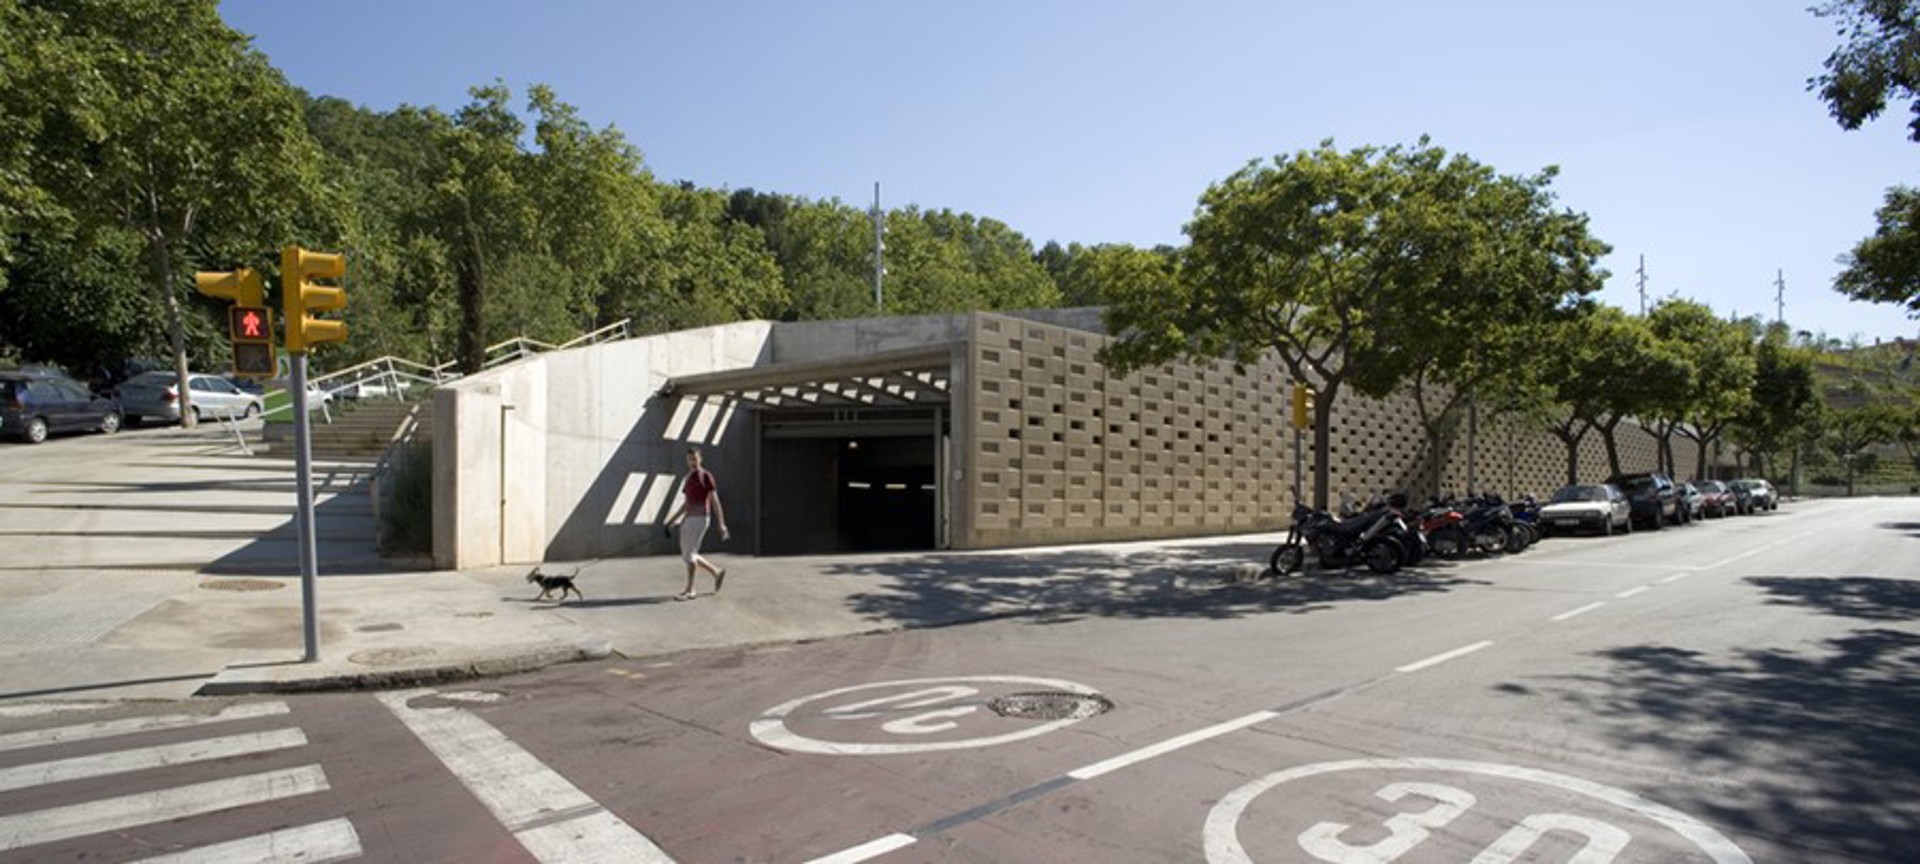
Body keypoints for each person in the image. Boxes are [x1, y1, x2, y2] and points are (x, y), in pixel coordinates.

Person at [665, 446, 728, 600]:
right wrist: (671, 521)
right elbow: (686, 505)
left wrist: (721, 523)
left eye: (695, 458)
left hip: (701, 518)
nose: (692, 462)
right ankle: (716, 572)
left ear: (701, 459)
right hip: (688, 519)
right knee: (688, 555)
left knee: (690, 554)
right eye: (689, 459)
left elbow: (715, 501)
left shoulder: (706, 476)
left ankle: (690, 590)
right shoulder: (687, 479)